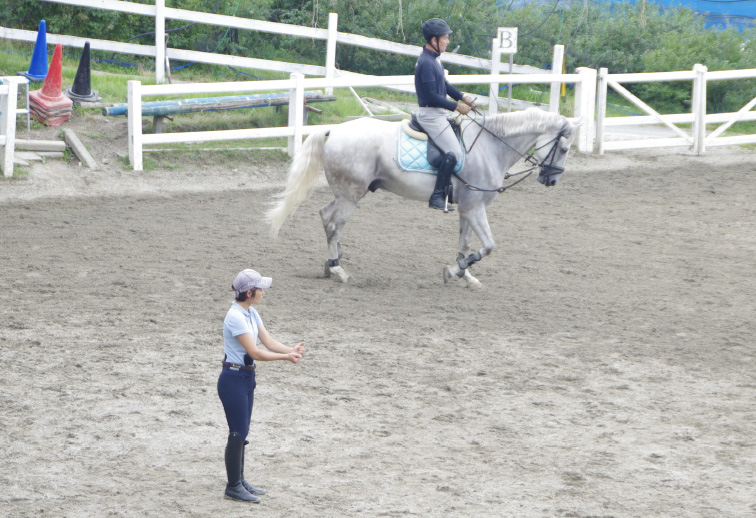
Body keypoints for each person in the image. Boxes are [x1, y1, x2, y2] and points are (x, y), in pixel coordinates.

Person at [217, 268, 305, 503]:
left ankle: (240, 479)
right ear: (248, 292)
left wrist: (290, 349)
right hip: (233, 379)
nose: (263, 292)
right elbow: (255, 351)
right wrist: (286, 358)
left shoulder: (251, 313)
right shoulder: (235, 316)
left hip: (245, 378)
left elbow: (268, 341)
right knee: (237, 432)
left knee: (243, 431)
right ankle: (233, 486)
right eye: (260, 289)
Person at [415, 18, 477, 211]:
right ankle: (437, 195)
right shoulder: (426, 62)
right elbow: (432, 96)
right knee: (455, 153)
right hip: (430, 115)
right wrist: (456, 107)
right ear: (434, 39)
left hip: (438, 113)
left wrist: (463, 97)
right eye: (445, 38)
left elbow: (445, 86)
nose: (448, 41)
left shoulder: (434, 59)